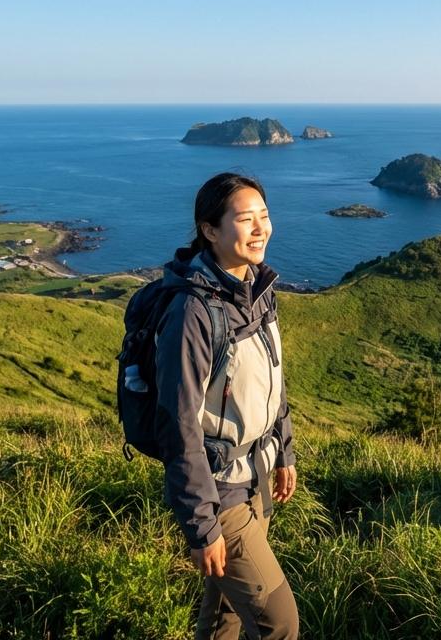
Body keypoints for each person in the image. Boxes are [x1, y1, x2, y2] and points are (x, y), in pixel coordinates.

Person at [155, 172, 300, 640]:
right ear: (210, 230)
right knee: (279, 622)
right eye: (245, 219)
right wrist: (202, 526)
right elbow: (179, 425)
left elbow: (271, 381)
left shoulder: (257, 288)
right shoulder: (193, 313)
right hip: (221, 493)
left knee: (226, 613)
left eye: (264, 216)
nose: (261, 228)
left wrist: (285, 451)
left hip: (256, 473)